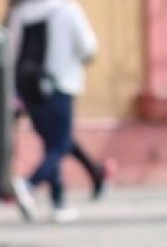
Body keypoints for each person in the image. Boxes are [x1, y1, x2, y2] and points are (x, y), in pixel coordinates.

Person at [6, 0, 109, 222]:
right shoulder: (67, 9)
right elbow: (88, 47)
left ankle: (59, 201)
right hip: (61, 84)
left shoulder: (20, 12)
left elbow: (12, 53)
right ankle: (28, 184)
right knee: (59, 144)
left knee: (54, 142)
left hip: (30, 89)